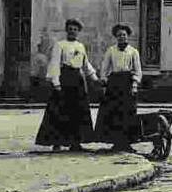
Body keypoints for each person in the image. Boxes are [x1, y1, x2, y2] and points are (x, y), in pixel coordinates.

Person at [35, 19, 99, 151]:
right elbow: (54, 63)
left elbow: (86, 65)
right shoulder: (60, 45)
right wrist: (56, 82)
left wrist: (95, 78)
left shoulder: (80, 46)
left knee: (77, 111)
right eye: (70, 29)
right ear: (66, 30)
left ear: (78, 32)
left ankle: (76, 142)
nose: (72, 31)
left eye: (75, 29)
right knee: (60, 111)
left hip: (78, 80)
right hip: (64, 79)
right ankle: (57, 142)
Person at [94, 24, 143, 152]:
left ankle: (127, 143)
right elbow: (105, 67)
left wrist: (135, 84)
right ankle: (116, 142)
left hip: (127, 83)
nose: (122, 37)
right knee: (113, 112)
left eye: (124, 35)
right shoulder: (111, 50)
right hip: (114, 84)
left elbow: (138, 70)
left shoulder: (133, 52)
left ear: (128, 37)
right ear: (116, 37)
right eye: (119, 35)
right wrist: (104, 80)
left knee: (128, 112)